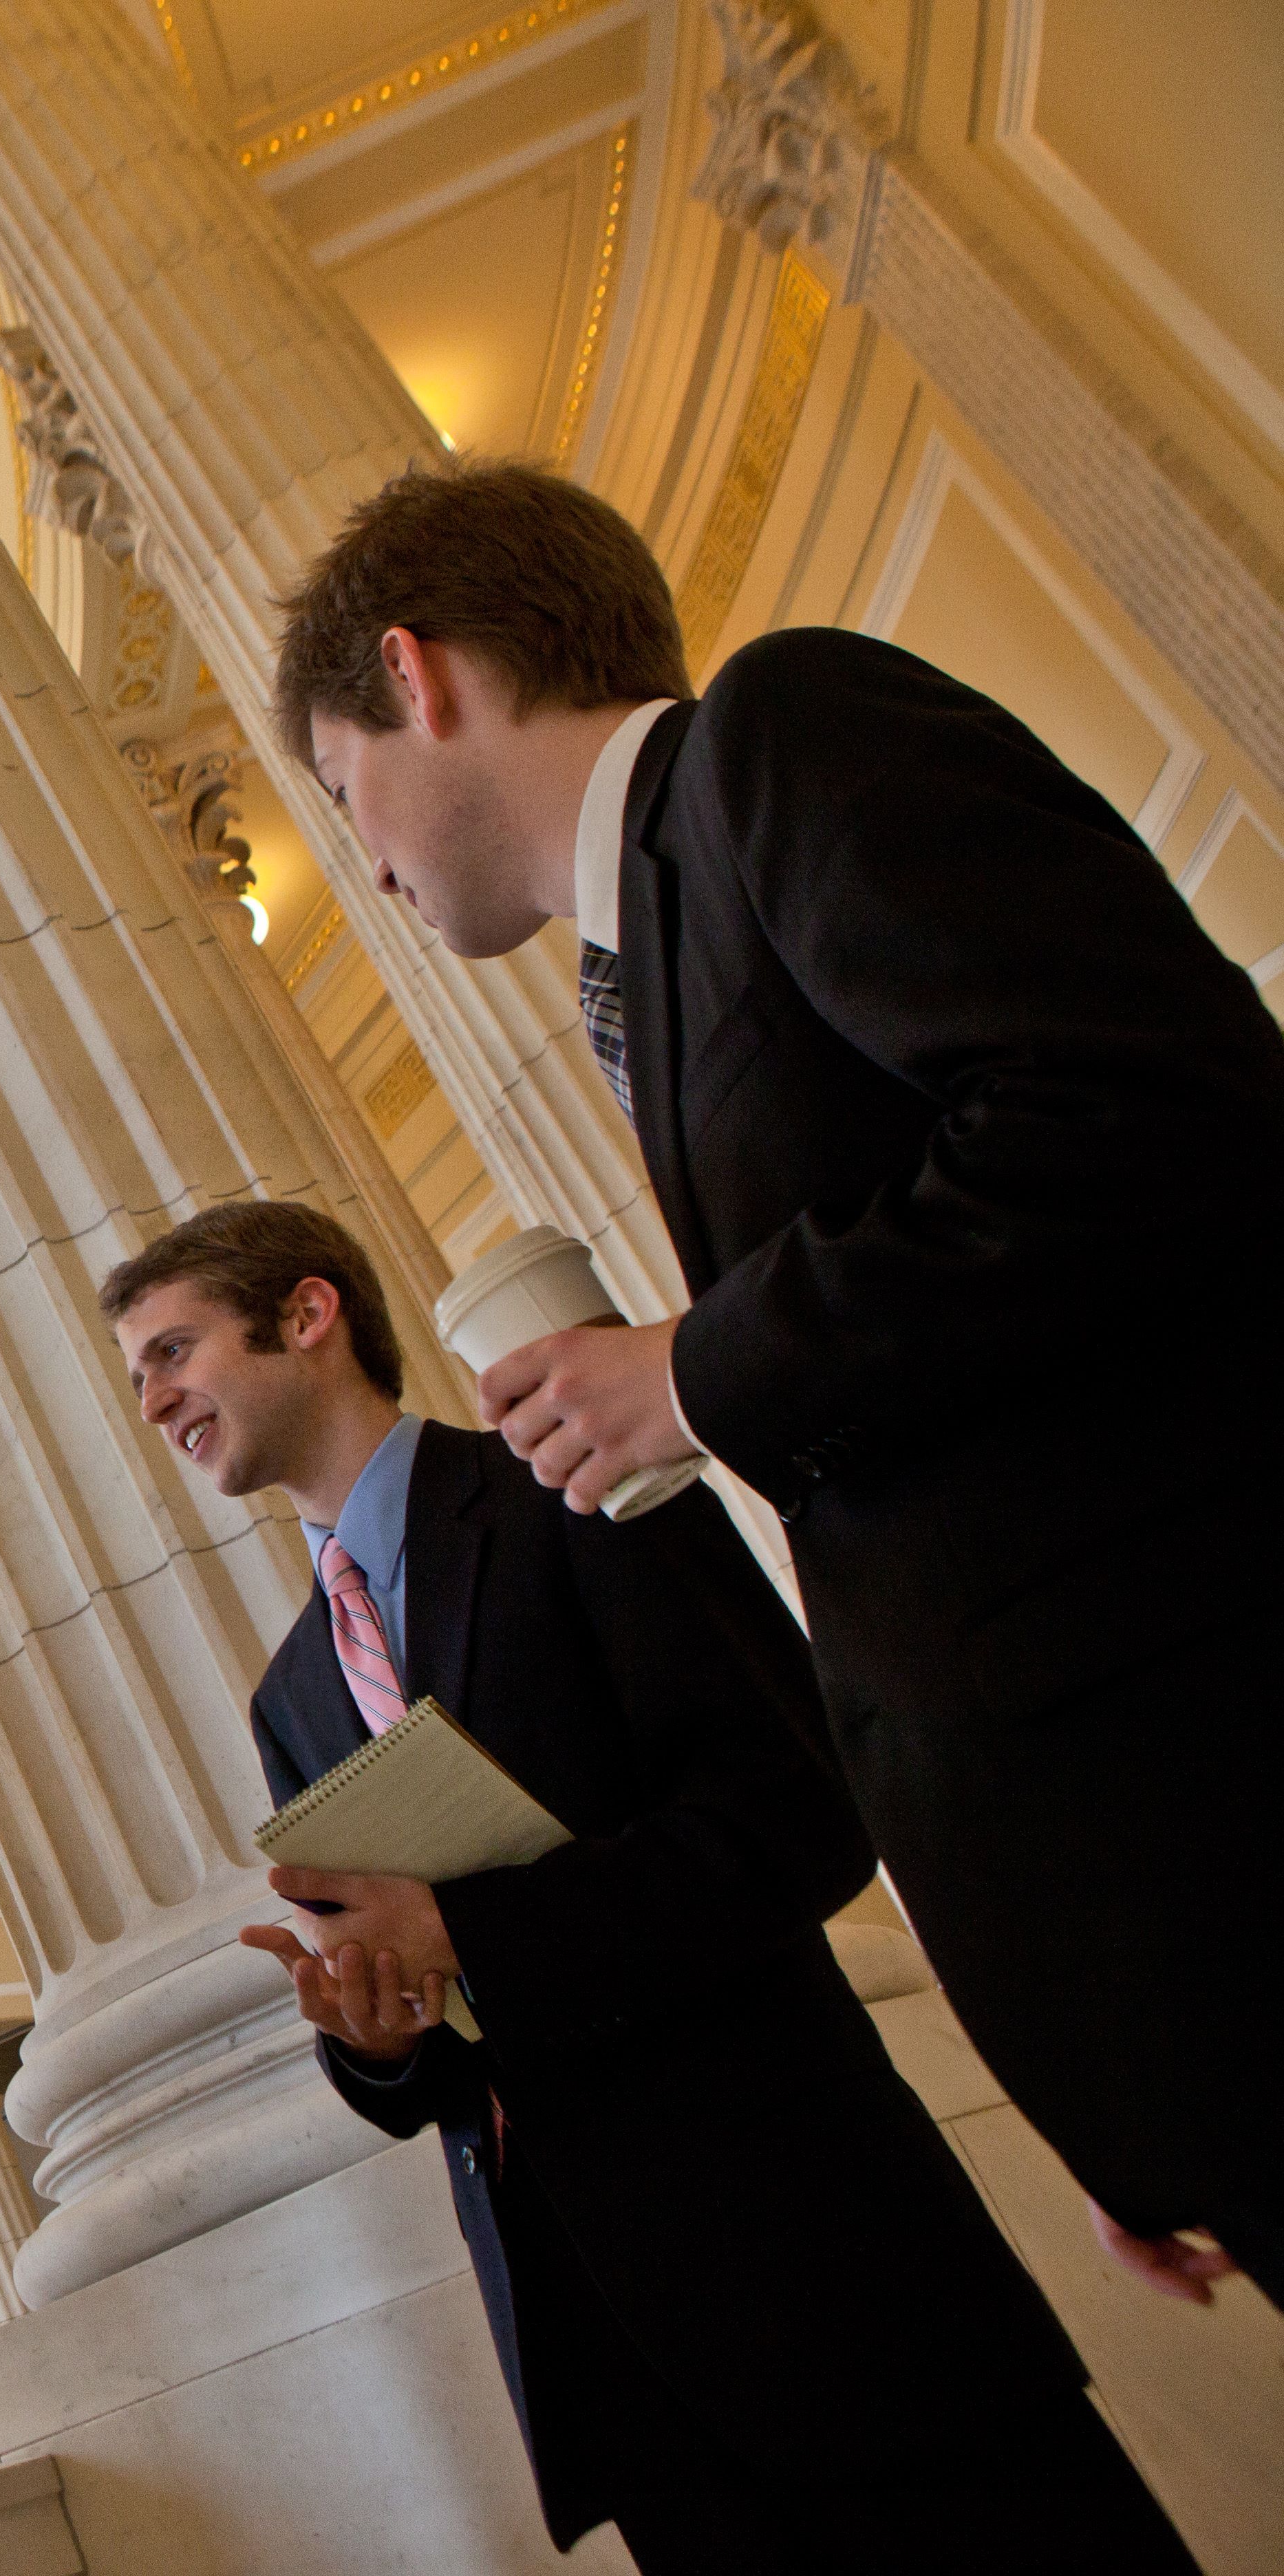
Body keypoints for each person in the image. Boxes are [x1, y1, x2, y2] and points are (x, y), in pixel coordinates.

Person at [272, 460, 1284, 2304]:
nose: (368, 858)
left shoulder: (780, 736)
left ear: (417, 676)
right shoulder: (650, 953)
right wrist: (1104, 2078)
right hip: (1185, 1959)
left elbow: (1148, 1114)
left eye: (344, 794)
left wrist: (694, 1370)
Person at [106, 1199, 1192, 2571]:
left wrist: (474, 1933)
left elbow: (800, 1816)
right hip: (611, 2356)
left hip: (826, 2266)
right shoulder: (296, 1694)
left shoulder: (565, 1478)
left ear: (309, 1317)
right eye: (139, 1372)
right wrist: (379, 2043)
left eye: (172, 1349)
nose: (152, 1400)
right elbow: (425, 2026)